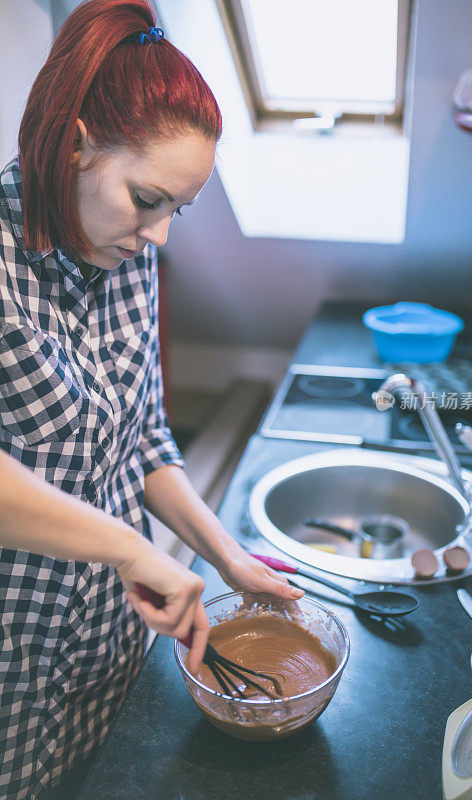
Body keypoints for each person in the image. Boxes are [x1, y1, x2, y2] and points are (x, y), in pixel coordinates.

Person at [0, 2, 304, 798]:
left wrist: (227, 558)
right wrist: (134, 550)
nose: (163, 235)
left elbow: (141, 442)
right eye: (148, 199)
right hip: (12, 665)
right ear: (73, 147)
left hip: (109, 641)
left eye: (180, 208)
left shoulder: (127, 257)